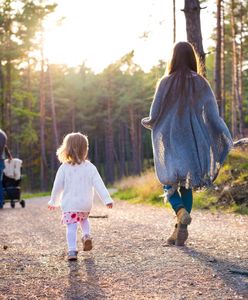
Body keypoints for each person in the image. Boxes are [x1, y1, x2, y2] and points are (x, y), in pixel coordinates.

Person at [141, 42, 233, 246]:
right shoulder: (201, 82)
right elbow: (211, 115)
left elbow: (154, 114)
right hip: (192, 141)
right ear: (192, 58)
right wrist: (223, 135)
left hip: (171, 140)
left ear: (173, 58)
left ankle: (180, 212)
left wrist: (147, 122)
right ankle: (178, 229)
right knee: (187, 184)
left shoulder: (165, 82)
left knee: (169, 181)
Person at [48, 132, 113, 260]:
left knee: (71, 227)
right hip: (85, 204)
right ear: (85, 149)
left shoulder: (64, 168)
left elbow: (57, 187)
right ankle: (87, 235)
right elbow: (99, 184)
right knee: (83, 220)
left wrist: (53, 201)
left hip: (70, 205)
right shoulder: (90, 167)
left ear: (67, 149)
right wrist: (107, 199)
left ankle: (72, 251)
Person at [0, 129, 12, 209]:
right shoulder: (3, 134)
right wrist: (9, 156)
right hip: (1, 161)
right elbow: (5, 147)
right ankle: (0, 203)